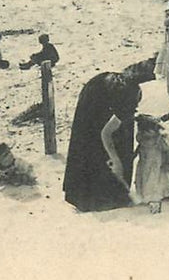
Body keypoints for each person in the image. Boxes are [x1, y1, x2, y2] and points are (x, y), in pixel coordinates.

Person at [62, 56, 158, 212]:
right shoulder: (128, 94)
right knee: (95, 143)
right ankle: (93, 197)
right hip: (95, 100)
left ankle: (108, 191)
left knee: (121, 135)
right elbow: (106, 133)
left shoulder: (130, 81)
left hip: (101, 91)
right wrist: (116, 161)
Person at [133, 113, 169, 213]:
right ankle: (152, 198)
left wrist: (167, 162)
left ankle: (160, 199)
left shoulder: (159, 137)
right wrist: (134, 155)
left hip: (158, 163)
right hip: (145, 162)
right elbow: (140, 147)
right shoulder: (142, 137)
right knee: (147, 180)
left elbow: (167, 150)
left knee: (158, 181)